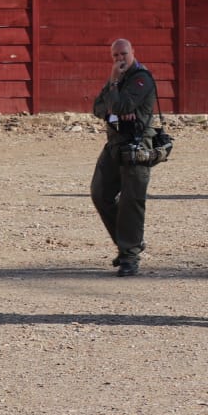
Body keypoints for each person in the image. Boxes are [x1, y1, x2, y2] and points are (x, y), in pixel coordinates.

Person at [91, 39, 159, 278]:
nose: (120, 59)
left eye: (123, 54)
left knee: (132, 202)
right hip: (114, 145)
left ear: (133, 53)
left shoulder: (142, 78)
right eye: (115, 56)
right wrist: (114, 104)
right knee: (100, 193)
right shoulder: (116, 79)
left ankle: (129, 256)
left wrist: (115, 100)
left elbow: (121, 105)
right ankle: (126, 244)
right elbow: (98, 108)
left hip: (136, 147)